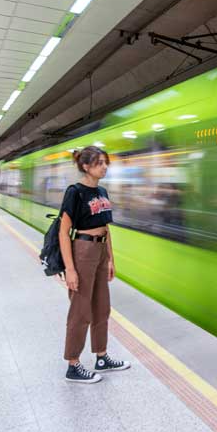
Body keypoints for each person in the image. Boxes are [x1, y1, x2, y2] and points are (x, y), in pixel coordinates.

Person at [58, 146, 131, 383]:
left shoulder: (102, 192)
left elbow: (106, 228)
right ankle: (73, 364)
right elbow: (63, 231)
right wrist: (70, 268)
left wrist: (110, 259)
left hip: (100, 251)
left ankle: (101, 356)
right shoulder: (75, 192)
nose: (105, 166)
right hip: (83, 250)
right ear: (86, 166)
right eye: (100, 163)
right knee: (80, 310)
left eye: (105, 162)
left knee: (102, 307)